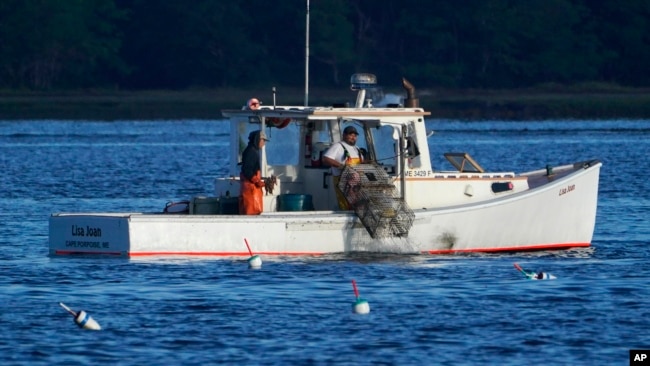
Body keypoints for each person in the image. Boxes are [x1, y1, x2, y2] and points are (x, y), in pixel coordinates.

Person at [322, 125, 364, 210]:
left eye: (355, 135)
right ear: (344, 135)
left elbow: (361, 162)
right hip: (343, 182)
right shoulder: (338, 146)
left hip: (357, 183)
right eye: (350, 135)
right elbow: (326, 159)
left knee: (357, 205)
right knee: (345, 204)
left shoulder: (357, 148)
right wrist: (341, 166)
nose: (353, 137)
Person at [239, 130, 269, 215]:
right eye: (263, 140)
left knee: (254, 212)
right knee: (251, 213)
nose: (264, 143)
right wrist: (257, 181)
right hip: (250, 189)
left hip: (251, 188)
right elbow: (247, 170)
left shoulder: (252, 150)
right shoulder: (251, 152)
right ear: (257, 139)